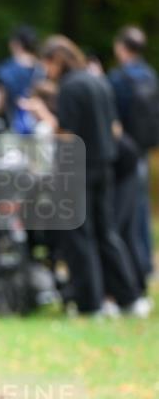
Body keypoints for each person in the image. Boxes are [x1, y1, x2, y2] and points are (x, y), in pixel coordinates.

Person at [37, 35, 142, 317]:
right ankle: (129, 298)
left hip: (77, 168)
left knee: (78, 237)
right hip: (105, 165)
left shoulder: (70, 87)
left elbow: (67, 134)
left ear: (57, 59)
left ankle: (90, 303)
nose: (46, 71)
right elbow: (114, 128)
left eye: (46, 64)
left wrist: (43, 115)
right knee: (106, 233)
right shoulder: (99, 81)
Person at [108, 25, 158, 279]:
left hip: (124, 152)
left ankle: (132, 264)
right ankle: (146, 262)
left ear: (122, 47)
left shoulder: (119, 78)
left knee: (125, 212)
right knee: (141, 207)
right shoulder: (150, 75)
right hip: (144, 148)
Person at [0, 25, 43, 135]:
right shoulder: (44, 69)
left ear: (16, 44)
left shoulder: (7, 68)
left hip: (11, 131)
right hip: (40, 132)